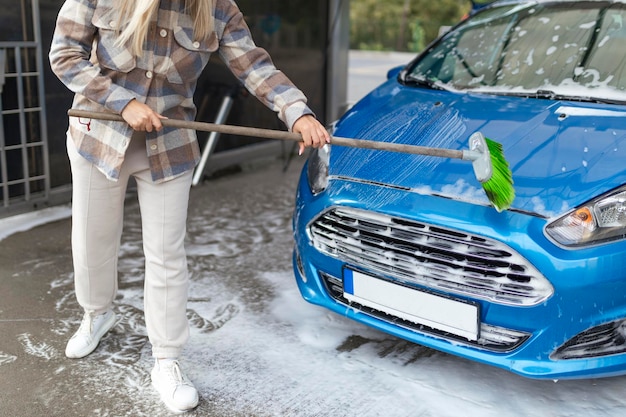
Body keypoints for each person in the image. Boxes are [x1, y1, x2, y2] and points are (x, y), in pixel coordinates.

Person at [49, 0, 330, 412]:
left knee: (166, 254)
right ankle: (97, 314)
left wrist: (296, 113)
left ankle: (167, 359)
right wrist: (122, 102)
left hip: (170, 145)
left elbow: (253, 64)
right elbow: (65, 55)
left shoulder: (217, 8)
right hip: (99, 137)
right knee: (93, 241)